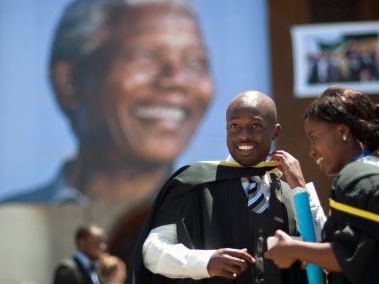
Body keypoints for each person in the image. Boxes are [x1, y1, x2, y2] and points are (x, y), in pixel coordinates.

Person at [0, 0, 214, 205]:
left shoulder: (221, 220)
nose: (176, 80)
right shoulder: (10, 218)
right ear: (69, 82)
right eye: (145, 57)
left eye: (196, 62)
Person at [130, 90, 326, 283]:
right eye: (234, 126)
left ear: (275, 132)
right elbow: (153, 251)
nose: (243, 135)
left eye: (256, 126)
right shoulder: (194, 183)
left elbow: (321, 250)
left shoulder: (290, 192)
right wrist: (206, 262)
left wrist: (301, 189)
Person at [264, 86, 379, 283]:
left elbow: (353, 255)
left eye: (314, 138)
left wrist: (293, 250)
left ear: (342, 131)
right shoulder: (377, 171)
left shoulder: (357, 178)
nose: (312, 151)